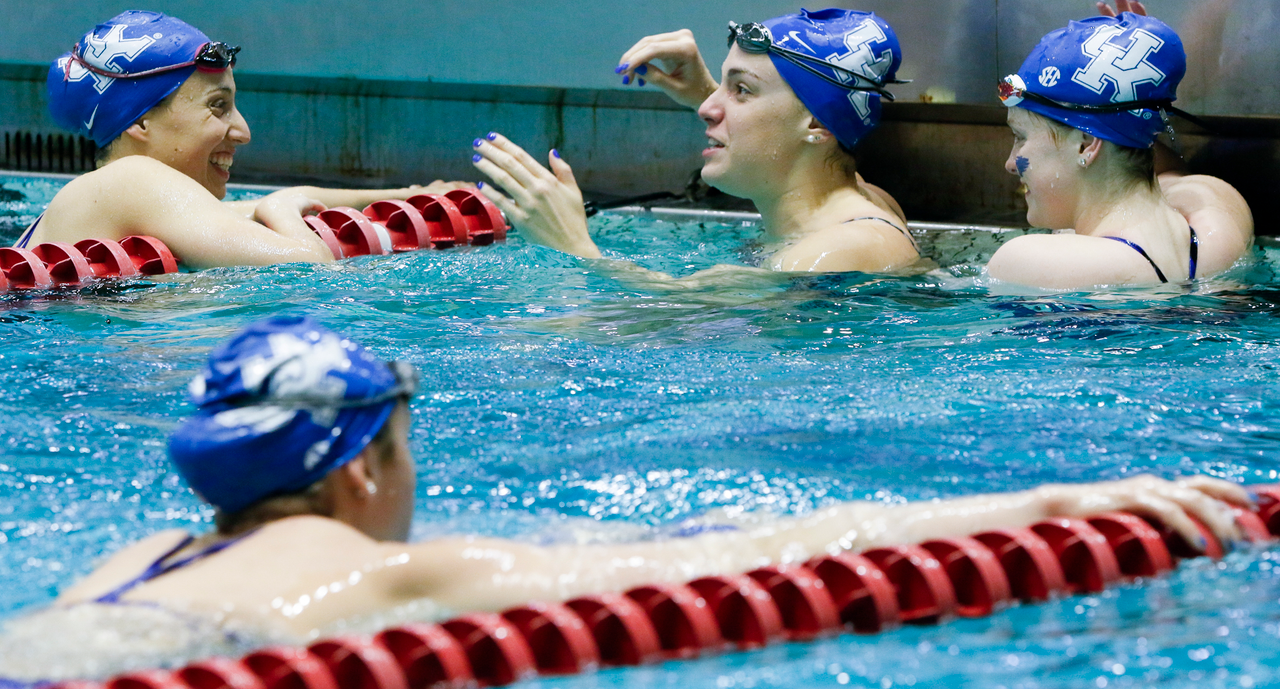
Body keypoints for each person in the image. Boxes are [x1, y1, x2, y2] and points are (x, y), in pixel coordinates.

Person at [0, 315, 1253, 680]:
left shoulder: (135, 551)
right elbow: (744, 550)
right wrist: (1048, 500)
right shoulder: (380, 574)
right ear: (362, 463)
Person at [470, 9, 921, 275]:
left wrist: (575, 248)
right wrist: (709, 89)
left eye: (741, 89)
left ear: (816, 126)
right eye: (719, 87)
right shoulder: (860, 201)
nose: (708, 108)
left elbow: (666, 322)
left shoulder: (839, 251)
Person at [16, 11, 465, 269]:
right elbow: (305, 269)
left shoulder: (106, 197)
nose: (244, 132)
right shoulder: (133, 178)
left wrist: (411, 195)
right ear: (140, 121)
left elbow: (289, 197)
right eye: (217, 106)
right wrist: (282, 211)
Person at [986, 10, 1253, 289]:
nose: (1011, 162)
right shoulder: (1221, 221)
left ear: (1085, 145)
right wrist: (1136, 88)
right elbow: (1170, 173)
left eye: (1020, 137)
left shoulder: (1027, 262)